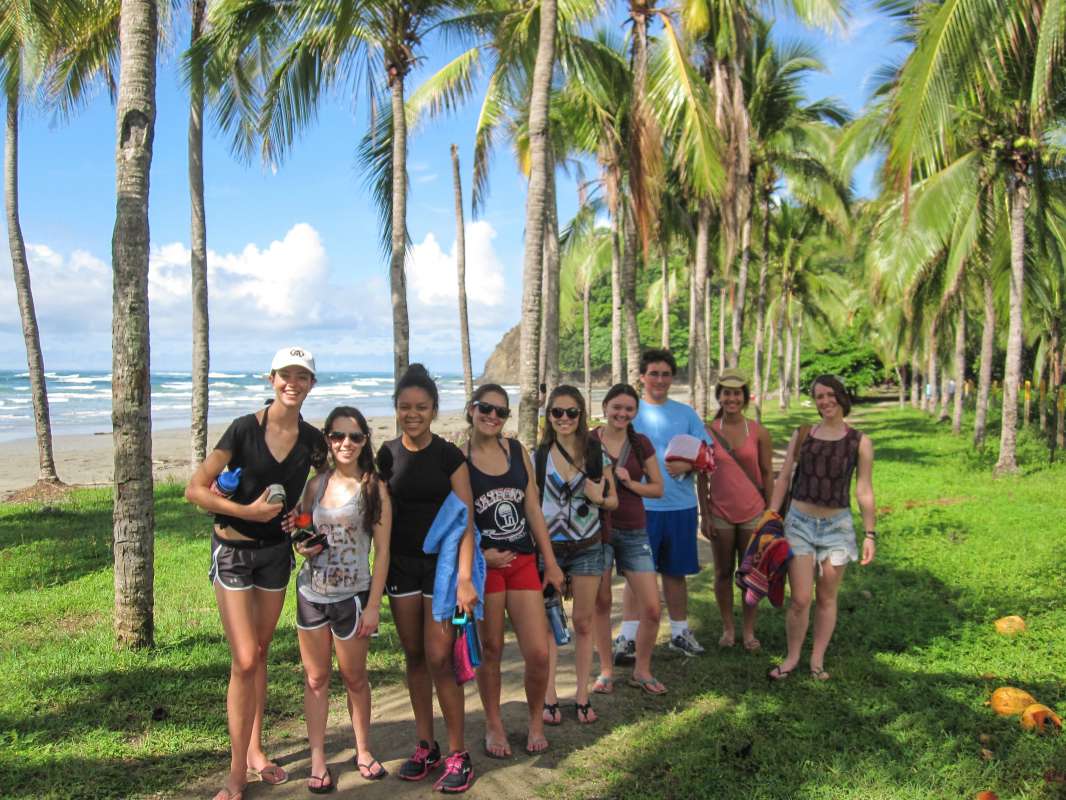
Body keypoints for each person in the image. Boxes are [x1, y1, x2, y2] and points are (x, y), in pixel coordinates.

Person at [185, 346, 327, 800]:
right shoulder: (244, 429)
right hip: (232, 552)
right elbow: (195, 489)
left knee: (261, 652)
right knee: (244, 658)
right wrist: (243, 509)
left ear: (311, 384)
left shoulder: (312, 439)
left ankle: (255, 751)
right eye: (286, 374)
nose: (293, 383)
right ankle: (235, 772)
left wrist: (301, 519)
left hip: (275, 556)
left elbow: (325, 485)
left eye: (302, 376)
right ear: (271, 379)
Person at [376, 364, 478, 793]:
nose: (412, 414)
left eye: (421, 407)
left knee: (440, 659)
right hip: (400, 567)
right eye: (405, 407)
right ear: (396, 409)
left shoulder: (448, 455)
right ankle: (426, 745)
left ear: (434, 410)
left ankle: (459, 753)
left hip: (442, 568)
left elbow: (467, 520)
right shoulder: (385, 454)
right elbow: (373, 512)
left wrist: (466, 579)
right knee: (414, 655)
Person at [288, 406, 391, 792]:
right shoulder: (316, 485)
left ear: (365, 440)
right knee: (316, 679)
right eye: (336, 436)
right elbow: (299, 526)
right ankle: (318, 759)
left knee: (355, 678)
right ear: (327, 440)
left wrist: (374, 605)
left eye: (354, 436)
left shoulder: (373, 487)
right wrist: (301, 545)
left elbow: (382, 552)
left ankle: (362, 751)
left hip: (353, 598)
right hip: (311, 594)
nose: (345, 443)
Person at [464, 384, 564, 758]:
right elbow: (462, 519)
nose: (493, 416)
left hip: (522, 561)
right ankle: (494, 723)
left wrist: (550, 563)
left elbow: (533, 509)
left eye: (501, 412)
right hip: (487, 567)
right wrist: (479, 557)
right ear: (472, 409)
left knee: (538, 653)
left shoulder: (517, 451)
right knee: (491, 650)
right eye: (486, 408)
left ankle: (535, 719)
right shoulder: (460, 459)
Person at [767, 374, 876, 682]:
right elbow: (785, 477)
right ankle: (791, 658)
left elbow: (864, 490)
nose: (825, 401)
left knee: (827, 597)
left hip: (837, 527)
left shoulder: (860, 441)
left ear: (842, 397)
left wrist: (869, 533)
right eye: (819, 396)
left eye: (830, 395)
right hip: (799, 523)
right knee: (801, 598)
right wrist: (771, 516)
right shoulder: (803, 434)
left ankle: (816, 660)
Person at [615, 349, 713, 661]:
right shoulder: (632, 412)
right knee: (636, 575)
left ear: (672, 378)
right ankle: (628, 638)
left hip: (680, 507)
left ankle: (680, 632)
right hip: (640, 508)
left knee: (675, 573)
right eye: (653, 373)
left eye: (665, 374)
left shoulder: (686, 414)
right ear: (642, 377)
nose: (659, 379)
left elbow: (708, 454)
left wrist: (689, 466)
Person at [538, 386, 617, 724]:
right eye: (558, 412)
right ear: (549, 416)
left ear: (581, 414)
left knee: (584, 623)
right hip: (548, 551)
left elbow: (613, 502)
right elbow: (530, 505)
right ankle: (549, 694)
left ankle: (582, 695)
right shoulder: (538, 457)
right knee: (549, 624)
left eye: (572, 412)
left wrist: (599, 497)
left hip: (587, 548)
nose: (565, 419)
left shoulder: (596, 453)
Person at [591, 384, 666, 696]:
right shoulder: (590, 440)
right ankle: (606, 670)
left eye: (628, 409)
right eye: (616, 407)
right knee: (602, 602)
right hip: (598, 530)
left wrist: (630, 482)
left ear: (635, 412)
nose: (621, 413)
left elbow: (658, 488)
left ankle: (642, 670)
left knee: (651, 607)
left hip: (634, 529)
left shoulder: (641, 443)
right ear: (605, 406)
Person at [702, 369, 773, 651]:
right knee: (722, 572)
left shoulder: (758, 432)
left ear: (744, 397)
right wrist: (705, 514)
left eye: (737, 393)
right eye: (726, 393)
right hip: (720, 511)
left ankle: (748, 630)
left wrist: (771, 513)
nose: (731, 398)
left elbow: (767, 473)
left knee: (750, 573)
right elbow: (700, 474)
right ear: (719, 396)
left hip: (753, 512)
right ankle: (728, 628)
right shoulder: (707, 431)